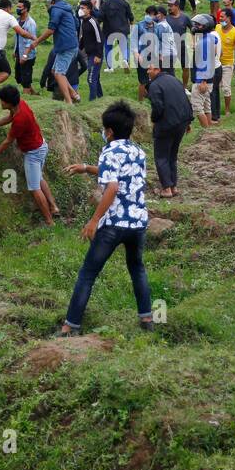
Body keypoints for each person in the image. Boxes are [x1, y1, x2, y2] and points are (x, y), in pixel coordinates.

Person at [58, 102, 154, 335]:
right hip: (138, 223)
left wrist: (94, 220)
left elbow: (112, 185)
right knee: (137, 268)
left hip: (113, 224)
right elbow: (119, 174)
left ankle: (70, 327)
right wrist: (86, 168)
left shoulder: (109, 151)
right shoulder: (137, 151)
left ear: (109, 131)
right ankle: (147, 320)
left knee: (88, 274)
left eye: (104, 129)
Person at [0, 86, 60, 226]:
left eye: (2, 100)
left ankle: (49, 221)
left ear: (9, 102)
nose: (0, 103)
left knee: (35, 188)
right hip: (41, 146)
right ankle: (54, 207)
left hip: (33, 153)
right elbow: (10, 117)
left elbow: (7, 142)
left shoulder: (20, 120)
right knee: (39, 178)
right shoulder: (20, 104)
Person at [146, 60, 193, 198]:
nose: (148, 72)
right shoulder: (175, 80)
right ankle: (174, 186)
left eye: (150, 69)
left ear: (158, 69)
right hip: (181, 123)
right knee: (172, 155)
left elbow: (157, 107)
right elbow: (185, 101)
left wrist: (154, 121)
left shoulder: (154, 86)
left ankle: (166, 189)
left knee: (161, 156)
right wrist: (188, 122)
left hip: (166, 125)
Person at [31, 0, 79, 105]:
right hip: (69, 44)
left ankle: (69, 102)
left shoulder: (56, 9)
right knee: (54, 71)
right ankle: (73, 93)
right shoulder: (66, 6)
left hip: (66, 45)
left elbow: (51, 30)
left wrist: (36, 42)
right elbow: (76, 24)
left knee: (59, 73)